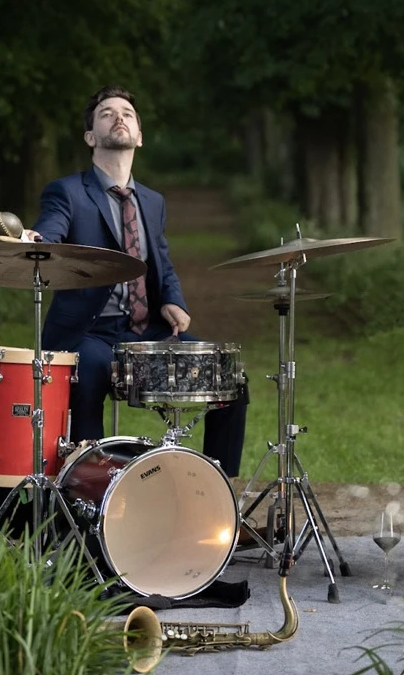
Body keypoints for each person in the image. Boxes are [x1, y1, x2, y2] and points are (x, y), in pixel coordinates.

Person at [27, 85, 247, 477]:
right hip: (89, 332)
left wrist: (174, 300)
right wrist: (39, 241)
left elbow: (160, 259)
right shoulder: (68, 192)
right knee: (89, 371)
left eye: (127, 113)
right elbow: (52, 231)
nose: (119, 117)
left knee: (230, 379)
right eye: (107, 113)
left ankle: (220, 491)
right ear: (91, 137)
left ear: (139, 136)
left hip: (147, 334)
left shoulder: (152, 200)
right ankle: (86, 492)